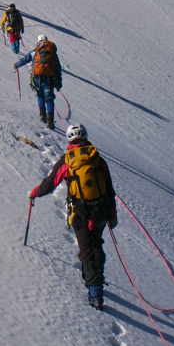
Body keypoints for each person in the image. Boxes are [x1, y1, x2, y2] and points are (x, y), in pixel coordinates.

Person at [28, 124, 118, 310]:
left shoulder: (67, 161)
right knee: (96, 243)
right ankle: (94, 279)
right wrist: (112, 214)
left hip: (80, 214)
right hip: (100, 212)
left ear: (70, 140)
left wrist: (34, 193)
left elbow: (50, 184)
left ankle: (95, 292)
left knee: (87, 250)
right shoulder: (97, 159)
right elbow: (109, 189)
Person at [14, 34, 62, 129]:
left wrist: (16, 65)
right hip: (49, 79)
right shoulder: (52, 53)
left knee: (40, 95)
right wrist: (58, 82)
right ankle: (50, 121)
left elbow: (25, 59)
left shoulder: (36, 52)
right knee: (49, 99)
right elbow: (57, 68)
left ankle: (42, 115)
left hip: (36, 78)